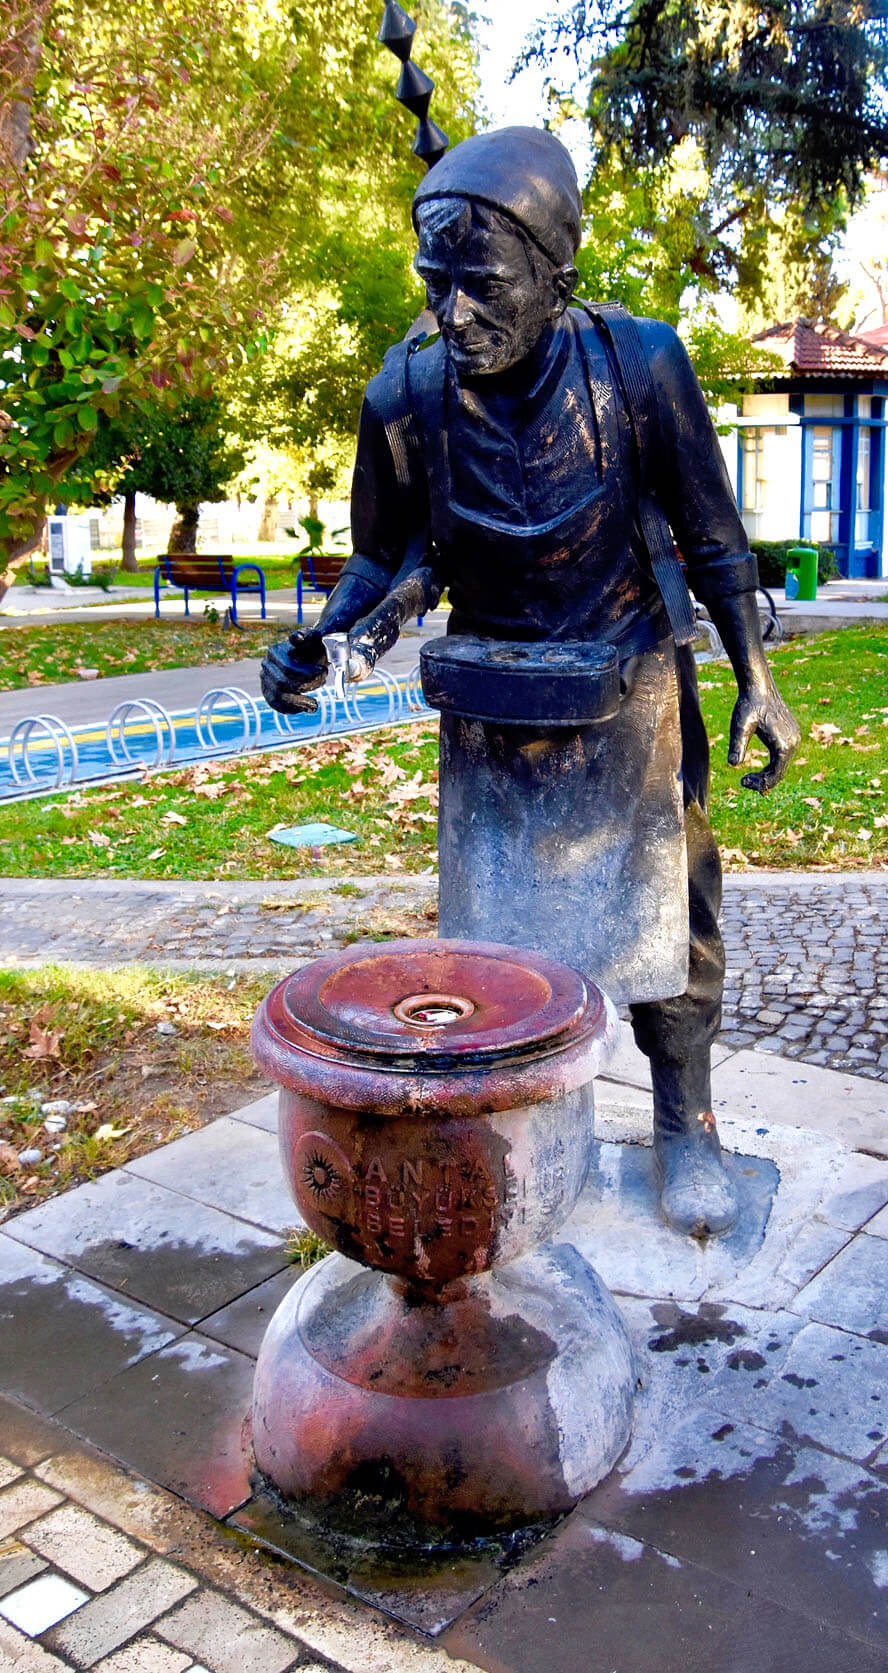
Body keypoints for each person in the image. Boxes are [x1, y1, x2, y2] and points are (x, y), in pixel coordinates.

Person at [261, 127, 800, 1238]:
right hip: (494, 709)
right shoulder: (406, 394)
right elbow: (380, 556)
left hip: (632, 691)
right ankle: (524, 1133)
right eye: (436, 283)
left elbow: (715, 538)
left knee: (673, 922)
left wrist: (756, 678)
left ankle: (686, 1122)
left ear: (558, 274)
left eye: (486, 283)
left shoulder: (639, 366)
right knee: (498, 945)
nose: (456, 313)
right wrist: (323, 635)